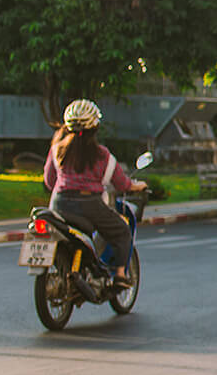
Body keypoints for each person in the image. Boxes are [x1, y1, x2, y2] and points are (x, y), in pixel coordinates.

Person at [41, 99, 146, 287]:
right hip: (89, 206)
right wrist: (136, 186)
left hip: (58, 205)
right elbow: (122, 184)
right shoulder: (102, 155)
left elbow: (49, 182)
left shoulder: (57, 150)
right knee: (122, 230)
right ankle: (121, 275)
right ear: (95, 127)